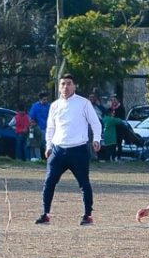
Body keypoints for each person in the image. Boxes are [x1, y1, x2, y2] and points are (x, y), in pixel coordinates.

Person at [37, 73, 103, 226]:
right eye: (63, 84)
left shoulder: (83, 103)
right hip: (58, 150)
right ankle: (45, 214)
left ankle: (88, 215)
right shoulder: (54, 105)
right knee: (49, 182)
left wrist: (97, 139)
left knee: (84, 183)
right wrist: (48, 146)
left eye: (69, 83)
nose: (65, 87)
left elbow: (95, 123)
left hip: (78, 150)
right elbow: (50, 128)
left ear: (75, 86)